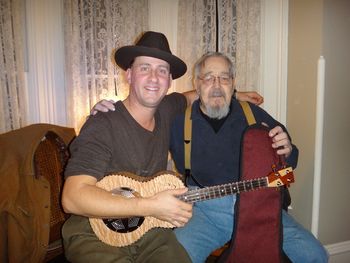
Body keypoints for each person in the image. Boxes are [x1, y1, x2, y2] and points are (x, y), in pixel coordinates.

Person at [61, 31, 262, 263]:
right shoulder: (103, 124)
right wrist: (150, 206)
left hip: (146, 231)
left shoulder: (167, 110)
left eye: (162, 70)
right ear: (129, 74)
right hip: (94, 230)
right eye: (145, 68)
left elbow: (192, 96)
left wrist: (234, 95)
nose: (154, 78)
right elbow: (72, 197)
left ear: (168, 81)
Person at [169, 52, 329, 263]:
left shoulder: (253, 114)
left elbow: (289, 163)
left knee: (315, 256)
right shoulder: (180, 123)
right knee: (172, 258)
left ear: (233, 84)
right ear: (197, 85)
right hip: (206, 214)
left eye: (224, 78)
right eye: (208, 78)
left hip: (260, 208)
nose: (217, 85)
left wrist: (288, 151)